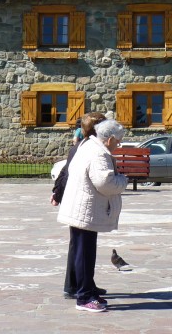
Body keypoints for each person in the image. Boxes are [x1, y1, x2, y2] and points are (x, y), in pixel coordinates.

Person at [57, 118, 128, 313]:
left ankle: (88, 290)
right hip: (85, 209)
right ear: (109, 139)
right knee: (84, 254)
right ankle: (84, 296)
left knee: (85, 252)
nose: (119, 144)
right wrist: (123, 180)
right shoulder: (99, 154)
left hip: (82, 207)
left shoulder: (87, 146)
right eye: (118, 140)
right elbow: (105, 184)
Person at [52, 111, 107, 300]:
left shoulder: (83, 145)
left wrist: (57, 192)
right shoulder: (86, 148)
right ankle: (77, 288)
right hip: (80, 203)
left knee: (79, 246)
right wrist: (57, 192)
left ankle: (81, 284)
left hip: (76, 201)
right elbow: (66, 172)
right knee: (81, 247)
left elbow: (64, 171)